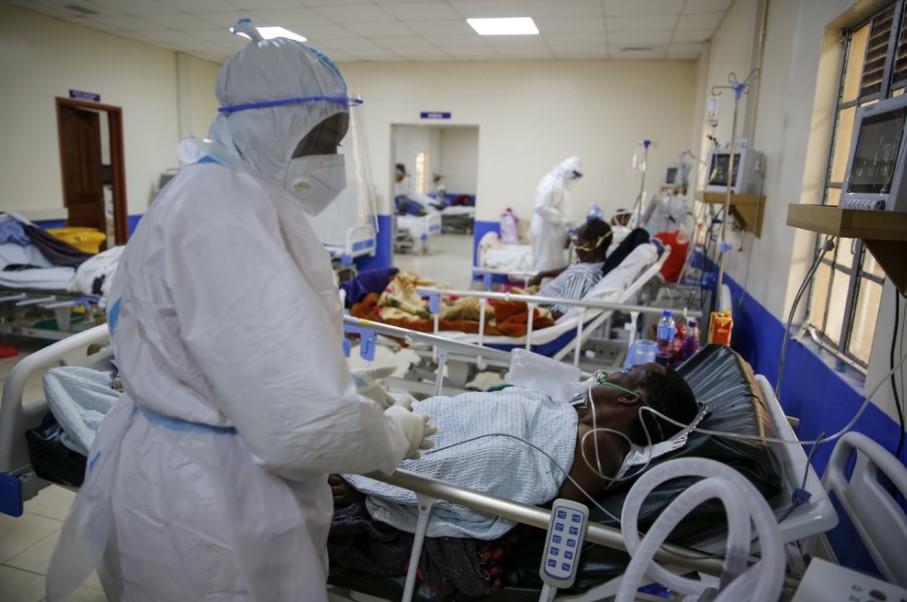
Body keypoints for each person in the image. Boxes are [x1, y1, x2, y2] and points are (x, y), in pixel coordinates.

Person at [46, 20, 435, 602]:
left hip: (199, 476)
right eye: (324, 140)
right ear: (275, 128)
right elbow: (301, 426)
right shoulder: (224, 214)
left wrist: (336, 385)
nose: (333, 159)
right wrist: (389, 436)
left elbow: (247, 352)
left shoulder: (223, 192)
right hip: (210, 505)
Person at [331, 362, 698, 509]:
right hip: (426, 424)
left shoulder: (600, 446)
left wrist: (372, 488)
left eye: (625, 371)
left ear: (628, 397)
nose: (610, 372)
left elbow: (496, 460)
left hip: (415, 454)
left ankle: (369, 463)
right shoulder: (577, 416)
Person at [528, 218, 613, 318]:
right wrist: (543, 274)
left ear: (591, 245)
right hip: (534, 303)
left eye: (579, 242)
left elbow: (563, 313)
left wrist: (530, 312)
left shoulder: (582, 274)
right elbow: (573, 268)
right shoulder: (595, 265)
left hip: (533, 313)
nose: (575, 247)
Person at [529, 156, 583, 272]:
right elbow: (540, 207)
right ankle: (542, 283)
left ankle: (551, 283)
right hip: (545, 230)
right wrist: (563, 220)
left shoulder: (558, 183)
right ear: (567, 172)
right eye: (573, 176)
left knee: (553, 264)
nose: (573, 179)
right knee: (545, 264)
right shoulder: (550, 182)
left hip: (552, 230)